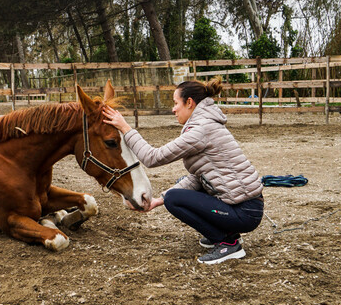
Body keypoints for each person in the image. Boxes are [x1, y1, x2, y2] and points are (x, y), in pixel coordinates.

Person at [102, 78, 263, 264]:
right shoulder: (206, 125)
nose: (173, 109)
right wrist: (157, 200)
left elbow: (152, 157)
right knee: (174, 195)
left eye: (175, 103)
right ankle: (226, 233)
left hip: (244, 211)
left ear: (189, 103)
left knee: (175, 200)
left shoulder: (200, 130)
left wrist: (125, 128)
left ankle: (228, 243)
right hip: (246, 207)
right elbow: (197, 179)